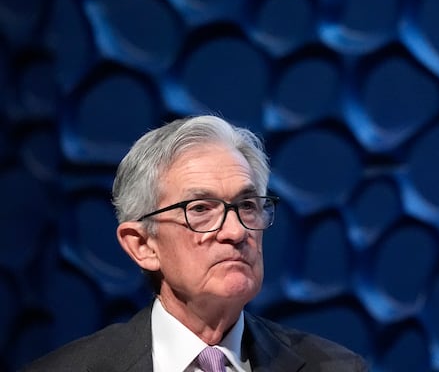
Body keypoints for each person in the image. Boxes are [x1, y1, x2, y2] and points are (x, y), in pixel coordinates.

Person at [22, 115, 368, 371]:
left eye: (247, 206)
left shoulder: (338, 368)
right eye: (200, 209)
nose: (235, 232)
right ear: (143, 245)